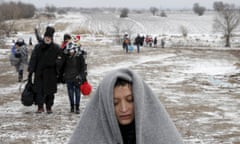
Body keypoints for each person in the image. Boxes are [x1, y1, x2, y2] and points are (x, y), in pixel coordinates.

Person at [68, 68, 183, 144]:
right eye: (115, 103)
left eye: (130, 100)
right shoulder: (89, 137)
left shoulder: (162, 135)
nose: (123, 109)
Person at [28, 26, 64, 114]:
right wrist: (31, 70)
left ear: (51, 38)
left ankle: (49, 107)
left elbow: (61, 59)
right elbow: (33, 59)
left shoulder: (56, 48)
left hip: (51, 74)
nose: (47, 39)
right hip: (39, 73)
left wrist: (57, 64)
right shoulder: (38, 47)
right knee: (39, 91)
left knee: (50, 92)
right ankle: (40, 107)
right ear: (44, 37)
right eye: (46, 37)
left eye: (49, 38)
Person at [62, 42, 86, 114]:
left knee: (77, 92)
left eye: (72, 50)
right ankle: (72, 107)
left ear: (75, 50)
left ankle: (77, 107)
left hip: (77, 78)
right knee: (70, 93)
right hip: (68, 78)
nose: (70, 52)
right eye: (69, 50)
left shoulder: (79, 56)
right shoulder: (65, 56)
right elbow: (61, 66)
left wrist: (82, 76)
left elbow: (83, 67)